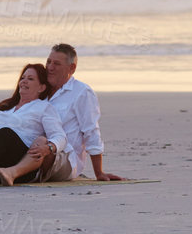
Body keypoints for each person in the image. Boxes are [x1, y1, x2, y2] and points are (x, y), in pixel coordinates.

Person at [12, 43, 123, 182]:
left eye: (57, 64)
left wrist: (99, 172)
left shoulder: (82, 92)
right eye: (49, 62)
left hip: (64, 158)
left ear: (72, 68)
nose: (50, 68)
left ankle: (24, 173)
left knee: (44, 145)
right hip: (33, 150)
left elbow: (91, 131)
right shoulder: (40, 89)